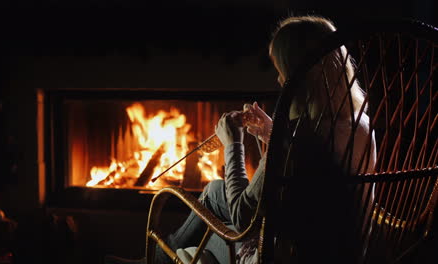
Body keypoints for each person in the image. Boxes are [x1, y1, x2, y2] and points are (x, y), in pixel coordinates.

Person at [153, 15, 377, 264]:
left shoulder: (294, 139)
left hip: (283, 255)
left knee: (213, 218)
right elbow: (313, 192)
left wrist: (233, 144)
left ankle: (154, 259)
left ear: (301, 77)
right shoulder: (361, 125)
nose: (280, 81)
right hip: (342, 252)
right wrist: (273, 131)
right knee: (214, 191)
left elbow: (241, 218)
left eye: (283, 72)